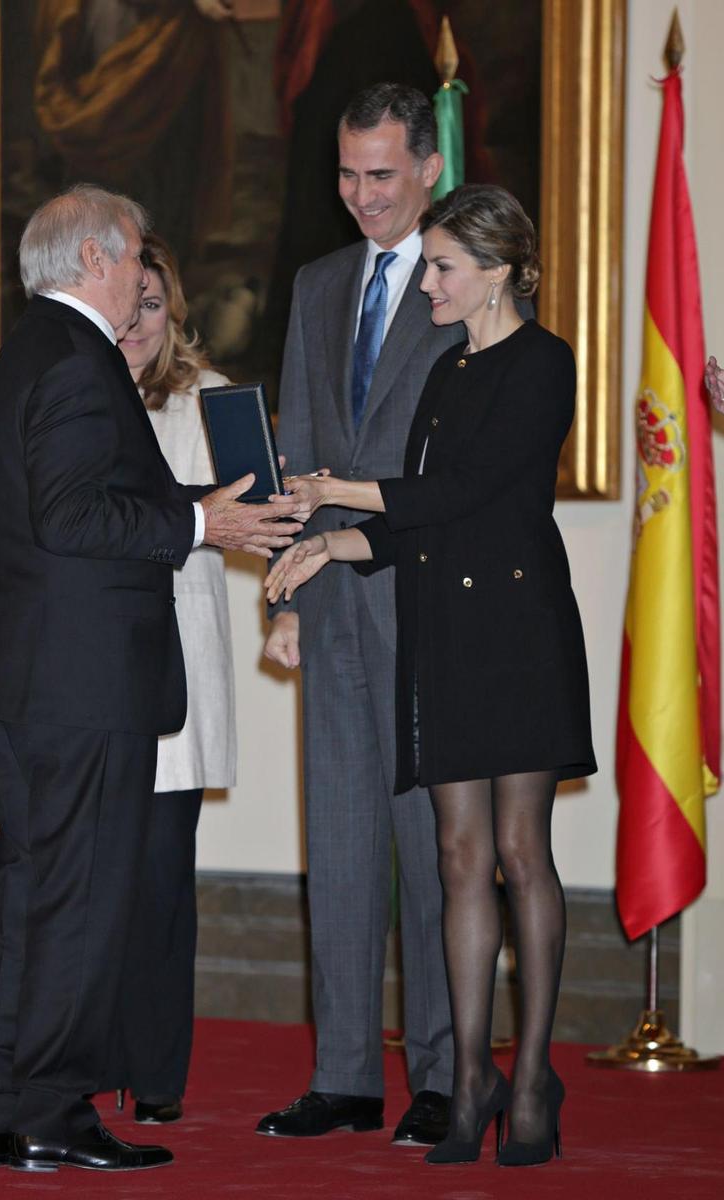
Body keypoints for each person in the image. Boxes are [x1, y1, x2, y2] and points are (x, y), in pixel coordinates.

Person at [0, 184, 302, 1173]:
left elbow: (93, 502)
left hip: (37, 675)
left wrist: (203, 507)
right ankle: (52, 1110)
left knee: (35, 892)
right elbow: (76, 520)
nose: (140, 280)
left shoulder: (35, 347)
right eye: (131, 262)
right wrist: (202, 525)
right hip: (77, 684)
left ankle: (6, 1104)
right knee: (75, 899)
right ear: (99, 258)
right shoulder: (77, 361)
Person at [267, 183, 597, 1168]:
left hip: (518, 633)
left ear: (495, 272)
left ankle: (530, 1074)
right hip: (443, 631)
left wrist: (335, 493)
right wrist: (329, 550)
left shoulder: (544, 363)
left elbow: (468, 490)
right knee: (455, 856)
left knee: (518, 854)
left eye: (443, 268)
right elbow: (417, 524)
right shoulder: (445, 373)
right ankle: (469, 1091)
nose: (429, 285)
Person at [258, 82, 458, 1147]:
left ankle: (437, 1068)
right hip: (333, 608)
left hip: (430, 607)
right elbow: (299, 454)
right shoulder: (320, 281)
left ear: (427, 168)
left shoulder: (465, 282)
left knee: (433, 854)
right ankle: (342, 1073)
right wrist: (288, 591)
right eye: (347, 175)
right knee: (336, 848)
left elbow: (471, 462)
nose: (363, 196)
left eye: (382, 175)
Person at [109, 232, 236, 1124]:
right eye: (127, 306)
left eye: (152, 307)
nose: (137, 324)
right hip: (90, 673)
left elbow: (259, 515)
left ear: (173, 311)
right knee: (91, 881)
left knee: (158, 881)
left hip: (177, 674)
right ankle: (83, 1056)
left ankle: (156, 1075)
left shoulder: (213, 404)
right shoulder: (76, 394)